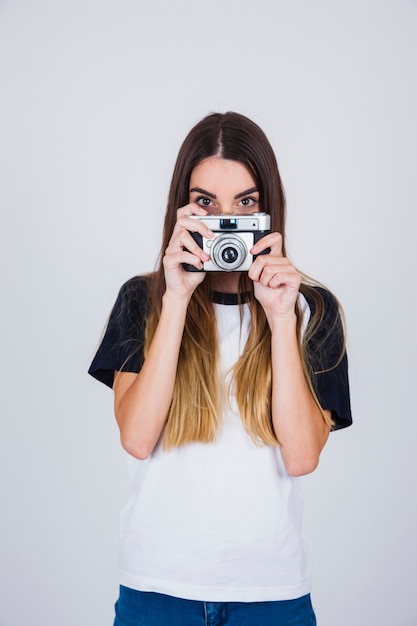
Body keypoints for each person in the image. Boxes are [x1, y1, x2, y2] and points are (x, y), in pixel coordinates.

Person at [88, 111, 352, 626]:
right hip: (157, 589)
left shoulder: (309, 309)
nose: (224, 223)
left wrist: (278, 319)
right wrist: (177, 298)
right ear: (181, 208)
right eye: (206, 203)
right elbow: (137, 438)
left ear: (268, 211)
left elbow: (301, 457)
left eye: (245, 203)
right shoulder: (144, 300)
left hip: (272, 592)